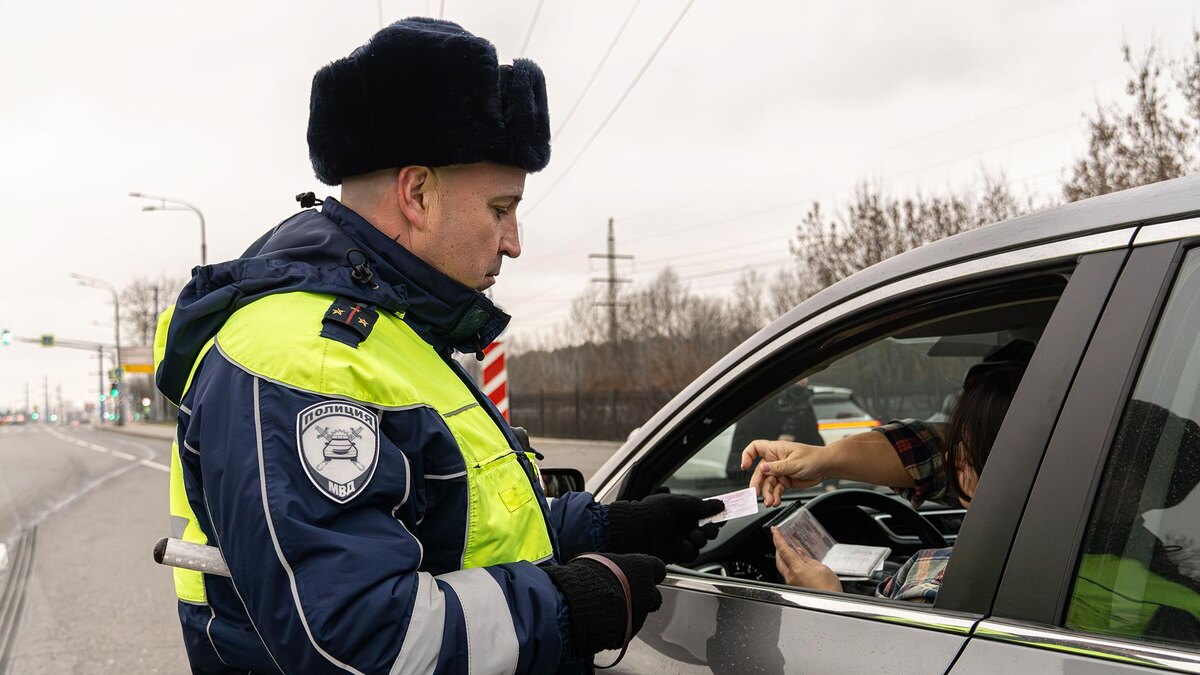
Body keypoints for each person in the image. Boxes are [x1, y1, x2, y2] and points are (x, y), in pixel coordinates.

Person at [154, 18, 722, 674]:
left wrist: (604, 529)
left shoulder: (394, 335)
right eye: (500, 209)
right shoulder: (305, 359)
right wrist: (565, 605)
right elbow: (363, 639)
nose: (514, 241)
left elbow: (453, 528)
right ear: (418, 193)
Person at [740, 360, 1026, 602]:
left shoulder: (932, 584)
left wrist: (824, 596)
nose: (949, 457)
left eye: (963, 450)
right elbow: (924, 452)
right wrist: (825, 459)